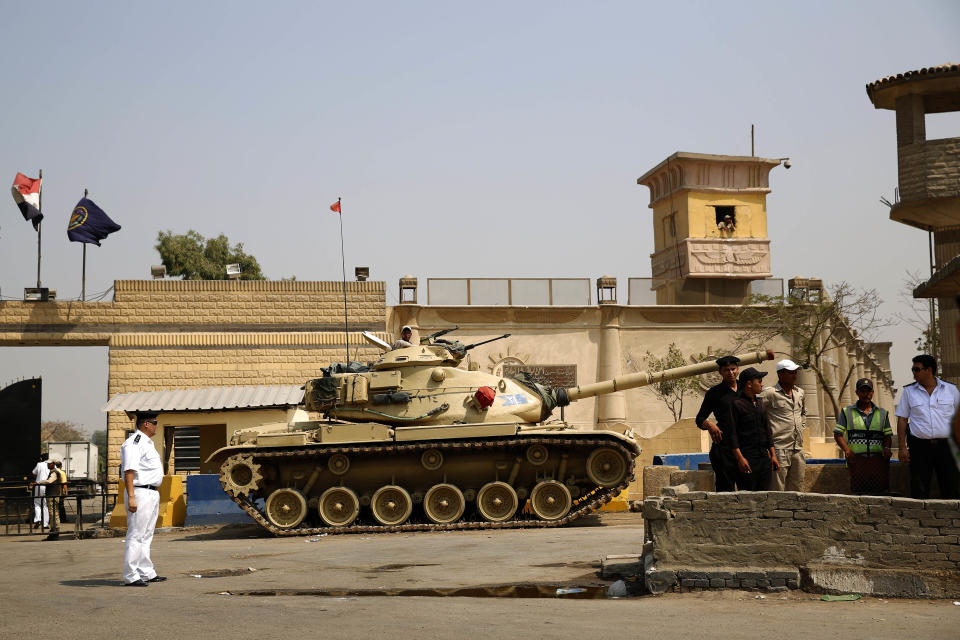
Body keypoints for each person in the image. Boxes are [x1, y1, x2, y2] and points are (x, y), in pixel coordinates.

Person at [895, 354, 960, 499]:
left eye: (917, 369)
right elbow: (902, 420)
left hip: (948, 447)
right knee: (919, 488)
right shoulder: (909, 392)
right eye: (913, 369)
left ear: (929, 370)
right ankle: (918, 520)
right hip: (920, 447)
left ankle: (952, 520)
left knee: (951, 486)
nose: (914, 373)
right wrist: (902, 448)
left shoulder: (951, 390)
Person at [121, 412, 166, 587]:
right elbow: (129, 471)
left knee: (146, 535)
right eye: (155, 422)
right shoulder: (133, 443)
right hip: (140, 492)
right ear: (146, 424)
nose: (156, 425)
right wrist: (131, 497)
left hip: (152, 492)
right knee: (136, 534)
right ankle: (131, 575)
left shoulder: (148, 443)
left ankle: (146, 572)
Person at [722, 367, 779, 491]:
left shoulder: (760, 403)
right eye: (759, 381)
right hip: (747, 458)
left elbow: (767, 431)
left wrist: (773, 455)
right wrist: (740, 458)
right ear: (749, 384)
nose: (762, 384)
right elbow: (732, 434)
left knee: (765, 495)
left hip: (764, 458)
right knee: (748, 497)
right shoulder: (736, 404)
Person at [834, 378, 892, 494]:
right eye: (863, 391)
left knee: (879, 493)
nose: (866, 394)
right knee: (858, 494)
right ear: (857, 393)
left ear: (873, 392)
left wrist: (886, 448)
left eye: (868, 391)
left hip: (877, 461)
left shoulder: (882, 413)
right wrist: (847, 450)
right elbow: (838, 434)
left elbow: (887, 436)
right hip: (856, 461)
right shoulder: (847, 412)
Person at [759, 359, 806, 491]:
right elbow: (756, 412)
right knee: (777, 489)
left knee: (798, 489)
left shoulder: (800, 393)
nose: (795, 375)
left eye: (795, 372)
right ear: (780, 374)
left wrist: (801, 426)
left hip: (798, 449)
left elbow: (803, 413)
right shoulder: (770, 393)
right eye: (791, 372)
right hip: (779, 449)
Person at [695, 355, 741, 491]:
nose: (730, 373)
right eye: (726, 370)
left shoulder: (746, 388)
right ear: (720, 372)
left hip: (746, 446)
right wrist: (709, 425)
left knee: (748, 489)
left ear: (738, 369)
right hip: (724, 448)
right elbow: (699, 418)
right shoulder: (714, 393)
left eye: (733, 369)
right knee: (725, 489)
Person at [29, 457, 63, 541]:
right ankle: (54, 531)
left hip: (52, 496)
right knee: (53, 513)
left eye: (49, 464)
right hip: (52, 495)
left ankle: (55, 532)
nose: (48, 465)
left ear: (53, 464)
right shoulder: (53, 471)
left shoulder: (54, 472)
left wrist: (38, 482)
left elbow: (49, 481)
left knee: (53, 514)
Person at [31, 452, 49, 529]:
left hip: (39, 486)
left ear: (41, 458)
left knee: (37, 503)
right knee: (45, 505)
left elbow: (33, 473)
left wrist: (38, 475)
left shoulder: (39, 464)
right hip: (48, 486)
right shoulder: (51, 465)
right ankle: (45, 524)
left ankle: (38, 519)